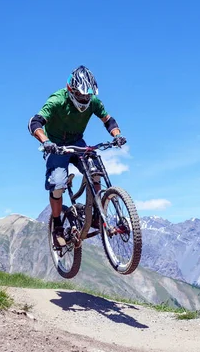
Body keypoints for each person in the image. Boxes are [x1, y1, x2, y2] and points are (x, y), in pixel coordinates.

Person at [28, 65, 126, 247]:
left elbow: (108, 120)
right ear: (71, 90)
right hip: (56, 146)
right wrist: (46, 142)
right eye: (81, 96)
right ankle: (57, 225)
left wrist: (117, 135)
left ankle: (97, 213)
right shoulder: (57, 101)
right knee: (57, 184)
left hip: (77, 142)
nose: (84, 99)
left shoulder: (94, 102)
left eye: (87, 96)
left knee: (96, 170)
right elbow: (34, 122)